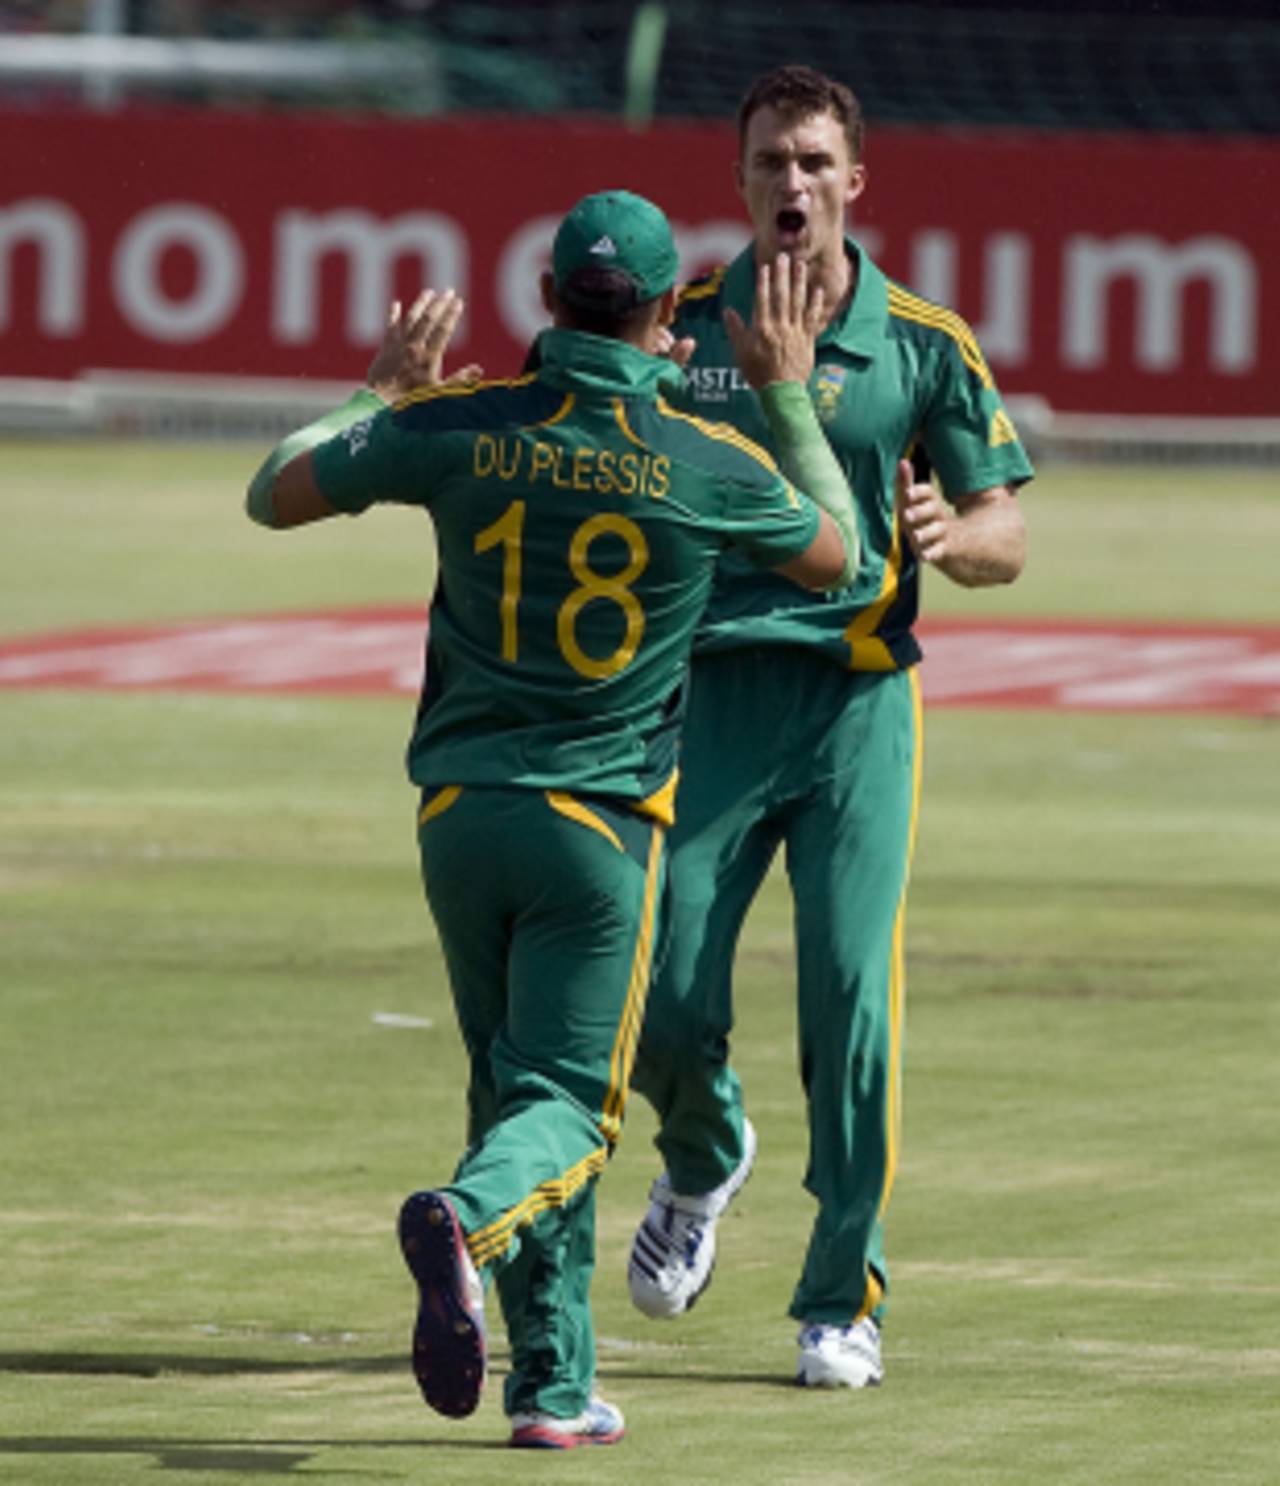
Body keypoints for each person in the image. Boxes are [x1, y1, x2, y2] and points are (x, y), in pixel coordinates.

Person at [244, 190, 861, 1445]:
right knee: (573, 1107)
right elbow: (836, 556)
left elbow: (272, 492)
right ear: (662, 312)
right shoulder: (703, 454)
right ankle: (462, 1221)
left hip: (460, 816)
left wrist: (380, 393)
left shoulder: (459, 423)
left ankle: (552, 1385)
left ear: (542, 301)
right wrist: (784, 388)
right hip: (599, 827)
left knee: (515, 1093)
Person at [626, 65, 1034, 1389]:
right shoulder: (679, 331)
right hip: (709, 701)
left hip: (860, 701)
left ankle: (838, 1296)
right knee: (662, 989)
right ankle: (701, 1156)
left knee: (851, 1003)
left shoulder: (922, 341)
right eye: (767, 163)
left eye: (812, 162)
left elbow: (1005, 530)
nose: (789, 185)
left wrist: (951, 535)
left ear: (856, 180)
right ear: (736, 180)